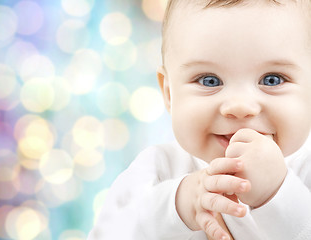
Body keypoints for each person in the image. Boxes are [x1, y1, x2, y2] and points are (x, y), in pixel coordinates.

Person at [88, 0, 311, 239]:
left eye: (272, 80)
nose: (239, 107)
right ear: (170, 94)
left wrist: (278, 193)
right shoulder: (159, 169)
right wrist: (177, 205)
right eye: (209, 81)